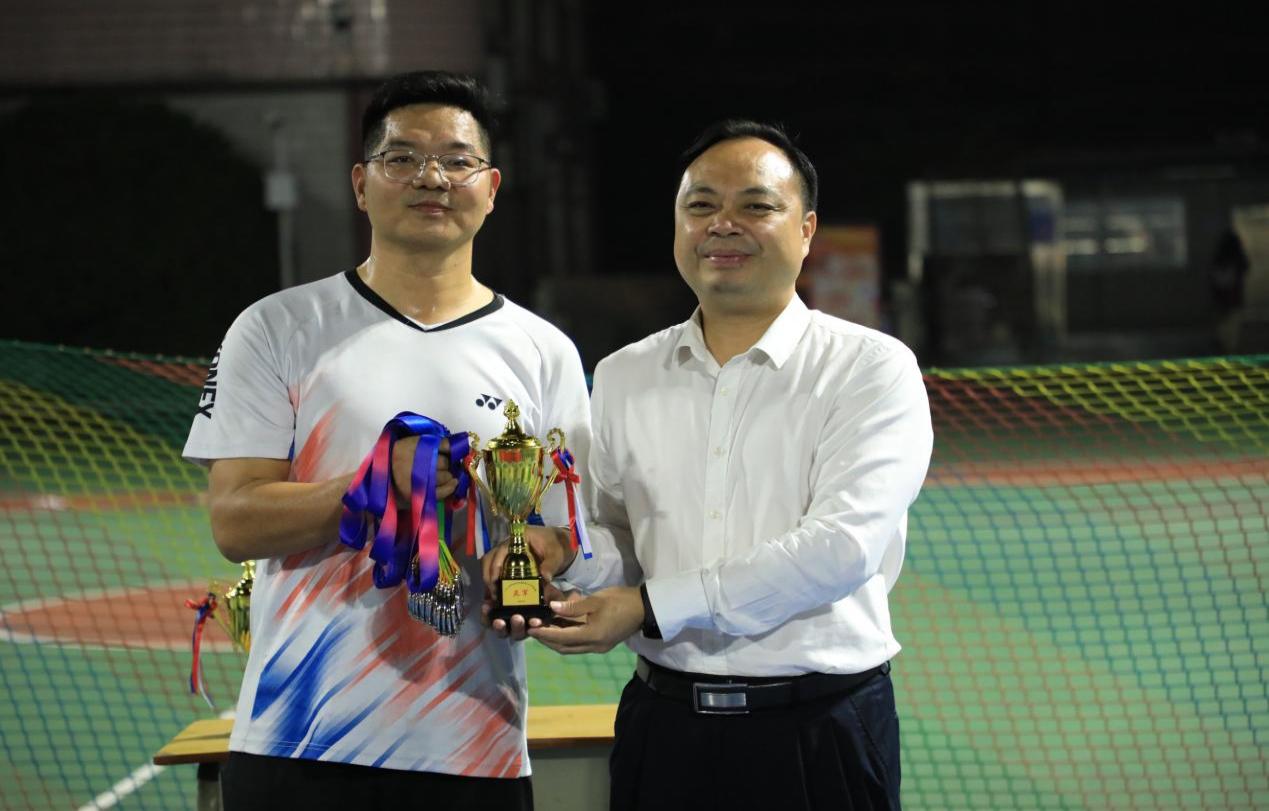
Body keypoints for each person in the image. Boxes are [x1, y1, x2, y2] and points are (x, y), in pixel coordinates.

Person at [486, 119, 933, 810]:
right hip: (664, 729)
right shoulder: (625, 373)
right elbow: (619, 538)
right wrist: (564, 555)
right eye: (700, 205)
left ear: (806, 230)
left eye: (755, 205)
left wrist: (647, 607)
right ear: (676, 227)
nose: (723, 224)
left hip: (820, 731)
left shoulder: (870, 368)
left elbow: (841, 548)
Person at [183, 70, 590, 811]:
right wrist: (372, 483)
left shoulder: (545, 350)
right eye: (402, 158)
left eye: (457, 160)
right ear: (361, 184)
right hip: (299, 741)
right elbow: (234, 522)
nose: (432, 178)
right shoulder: (276, 328)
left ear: (491, 188)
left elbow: (564, 529)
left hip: (478, 745)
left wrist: (532, 557)